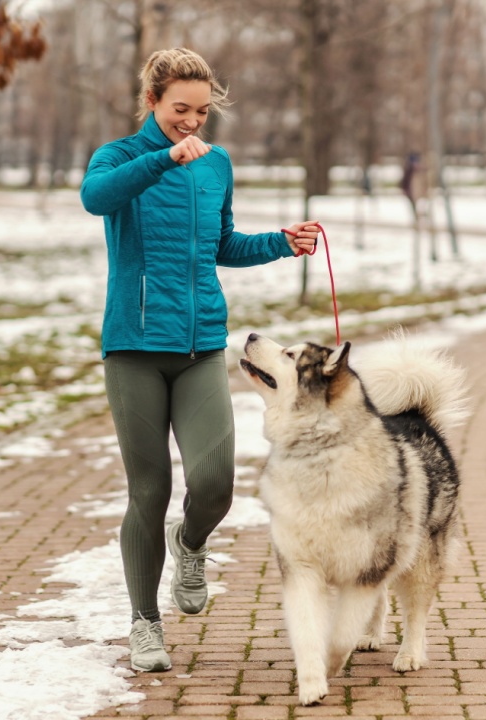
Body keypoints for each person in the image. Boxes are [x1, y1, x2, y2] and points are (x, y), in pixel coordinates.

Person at [79, 47, 320, 673]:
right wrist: (163, 158)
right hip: (133, 347)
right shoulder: (122, 156)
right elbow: (95, 199)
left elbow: (223, 244)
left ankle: (190, 545)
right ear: (153, 101)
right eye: (179, 109)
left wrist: (280, 243)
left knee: (214, 482)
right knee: (149, 488)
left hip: (201, 346)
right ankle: (144, 623)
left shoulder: (217, 167)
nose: (191, 122)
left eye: (201, 112)